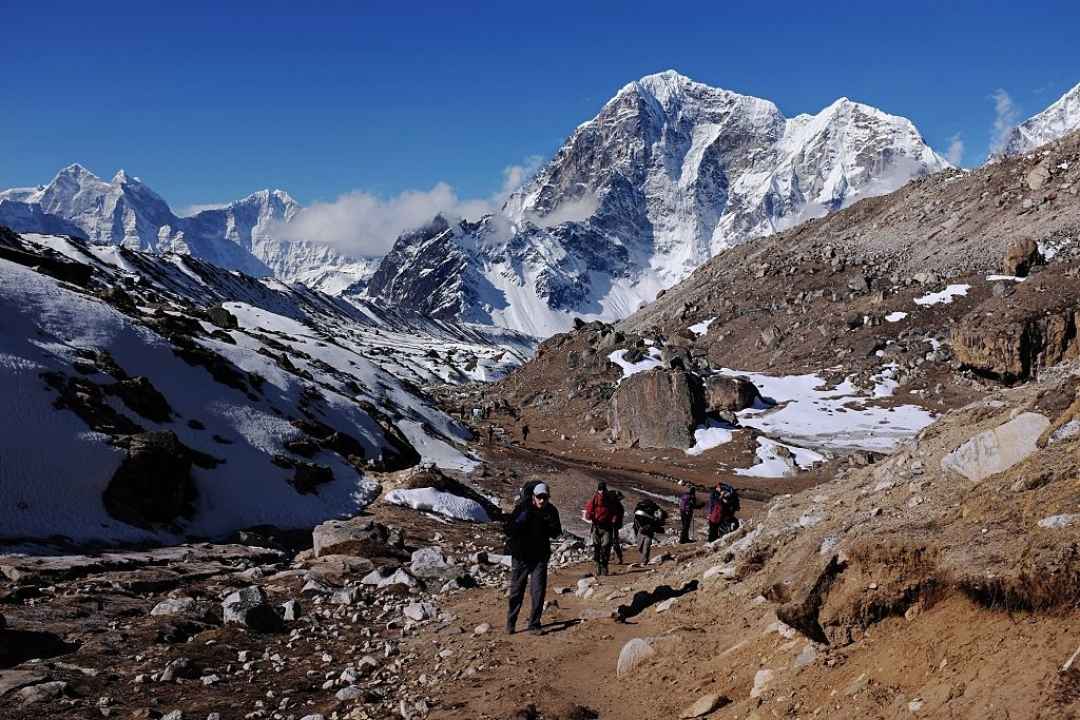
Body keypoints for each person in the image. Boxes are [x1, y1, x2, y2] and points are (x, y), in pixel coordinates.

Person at [504, 482, 562, 635]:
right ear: (533, 497)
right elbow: (508, 529)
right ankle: (511, 622)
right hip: (521, 556)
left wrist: (548, 525)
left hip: (540, 557)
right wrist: (521, 521)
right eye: (539, 497)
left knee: (538, 591)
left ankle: (534, 624)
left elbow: (557, 532)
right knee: (517, 590)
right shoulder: (523, 508)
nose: (542, 500)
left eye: (545, 497)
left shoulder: (551, 511)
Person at [584, 481, 619, 576]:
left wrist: (614, 519)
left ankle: (604, 568)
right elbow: (589, 511)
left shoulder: (609, 499)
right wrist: (589, 515)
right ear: (598, 489)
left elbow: (614, 511)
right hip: (597, 526)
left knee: (606, 547)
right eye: (600, 489)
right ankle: (598, 567)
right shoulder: (594, 498)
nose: (601, 491)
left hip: (607, 527)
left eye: (603, 489)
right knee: (597, 547)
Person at [632, 498, 667, 565]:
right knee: (640, 546)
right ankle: (644, 559)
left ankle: (645, 561)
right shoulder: (643, 510)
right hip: (643, 529)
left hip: (648, 529)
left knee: (646, 545)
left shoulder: (642, 510)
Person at [610, 490, 626, 564]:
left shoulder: (608, 504)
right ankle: (619, 558)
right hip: (614, 526)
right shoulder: (619, 506)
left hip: (607, 525)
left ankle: (606, 557)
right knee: (615, 542)